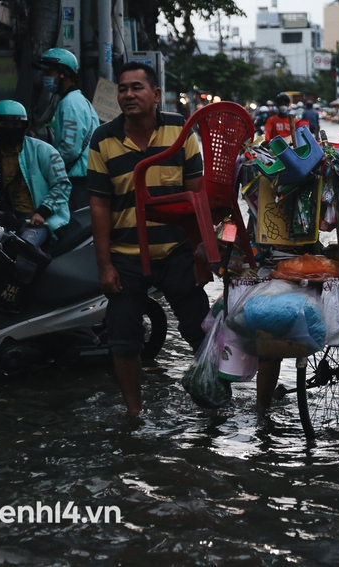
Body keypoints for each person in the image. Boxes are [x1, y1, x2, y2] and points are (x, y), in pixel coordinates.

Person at [88, 61, 210, 416]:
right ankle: (134, 412)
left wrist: (202, 254)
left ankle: (214, 400)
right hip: (126, 255)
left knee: (200, 329)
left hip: (175, 251)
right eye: (123, 88)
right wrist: (104, 265)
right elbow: (99, 204)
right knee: (123, 337)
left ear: (156, 94)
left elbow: (195, 198)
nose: (128, 94)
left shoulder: (181, 131)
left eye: (136, 87)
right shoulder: (103, 139)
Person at [0, 100, 71, 248]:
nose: (10, 129)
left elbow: (62, 185)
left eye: (15, 125)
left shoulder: (43, 151)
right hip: (5, 219)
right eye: (4, 125)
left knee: (22, 250)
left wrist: (42, 212)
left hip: (37, 220)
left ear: (24, 126)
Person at [36, 48, 100, 211]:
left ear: (63, 74)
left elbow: (70, 149)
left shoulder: (70, 103)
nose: (46, 77)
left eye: (50, 72)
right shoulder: (77, 99)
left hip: (78, 182)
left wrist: (47, 168)